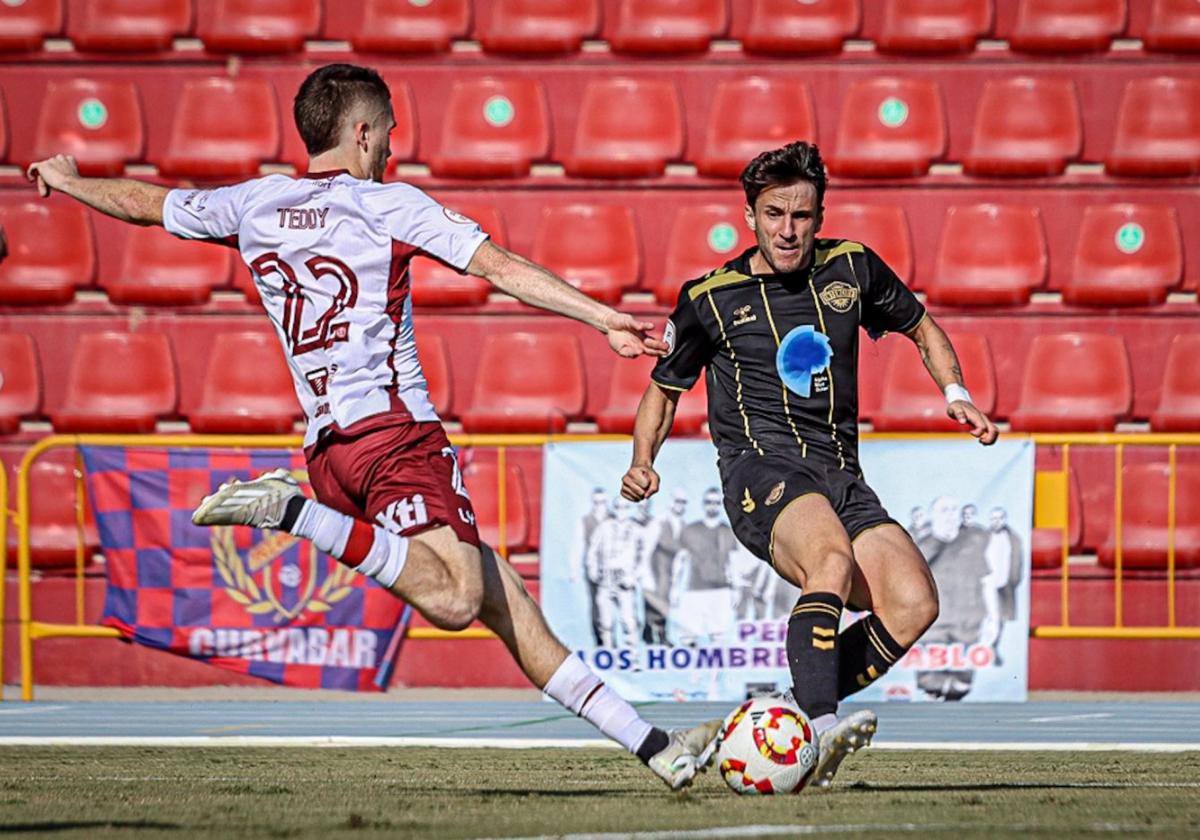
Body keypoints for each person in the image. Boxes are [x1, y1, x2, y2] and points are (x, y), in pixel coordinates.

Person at [28, 63, 720, 790]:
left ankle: (655, 748)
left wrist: (72, 182)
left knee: (501, 598)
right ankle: (290, 512)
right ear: (361, 133)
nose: (391, 145)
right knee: (456, 599)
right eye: (387, 131)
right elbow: (500, 267)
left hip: (330, 449)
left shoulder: (255, 203)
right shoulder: (388, 205)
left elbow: (146, 203)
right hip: (395, 435)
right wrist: (604, 316)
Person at [620, 141, 999, 786]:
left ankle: (784, 716)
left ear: (819, 216)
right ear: (751, 216)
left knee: (912, 602)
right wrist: (642, 459)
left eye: (801, 215)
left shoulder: (852, 268)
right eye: (774, 214)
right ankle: (821, 733)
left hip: (839, 471)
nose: (787, 230)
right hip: (759, 471)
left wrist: (957, 395)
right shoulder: (711, 298)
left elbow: (923, 328)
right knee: (830, 558)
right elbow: (663, 388)